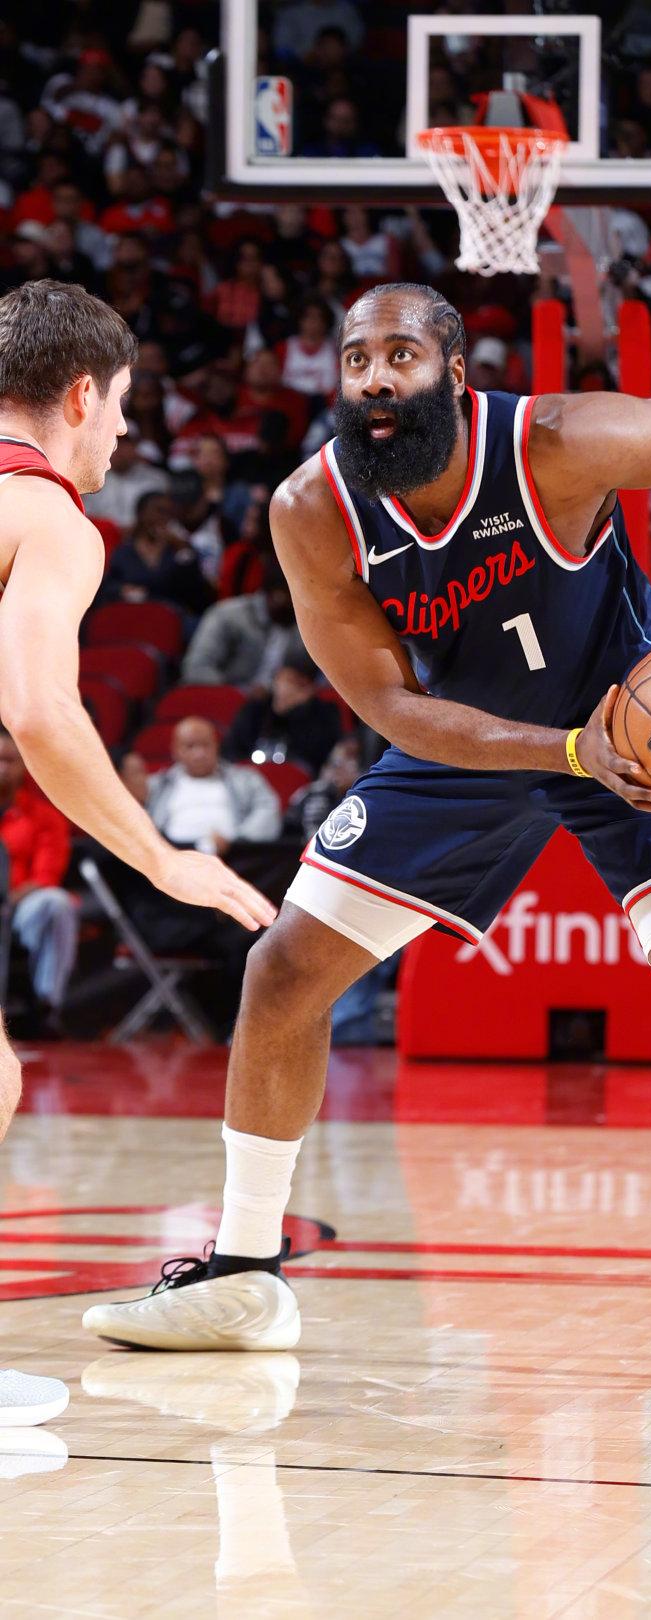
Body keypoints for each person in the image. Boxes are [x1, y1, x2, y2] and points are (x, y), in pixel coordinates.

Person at [84, 282, 651, 1397]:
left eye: (401, 355)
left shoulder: (554, 441)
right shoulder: (313, 510)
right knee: (283, 973)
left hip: (638, 731)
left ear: (455, 376)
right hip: (479, 743)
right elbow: (392, 708)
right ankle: (245, 1274)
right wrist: (561, 753)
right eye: (356, 358)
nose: (374, 379)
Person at [0, 278, 276, 1426]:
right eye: (121, 404)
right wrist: (163, 858)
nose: (123, 431)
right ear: (80, 395)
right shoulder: (49, 516)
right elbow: (40, 710)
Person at [0, 729, 79, 1035]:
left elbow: (45, 878)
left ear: (24, 766)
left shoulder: (44, 816)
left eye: (10, 761)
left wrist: (7, 903)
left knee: (57, 903)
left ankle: (47, 1006)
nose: (3, 768)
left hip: (20, 909)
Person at [147, 719, 283, 852]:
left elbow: (268, 810)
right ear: (175, 750)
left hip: (233, 855)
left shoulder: (246, 779)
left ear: (217, 745)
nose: (199, 754)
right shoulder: (156, 785)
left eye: (206, 745)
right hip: (170, 855)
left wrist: (239, 839)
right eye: (190, 746)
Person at [180, 564, 307, 689]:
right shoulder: (229, 615)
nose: (290, 603)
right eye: (285, 596)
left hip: (277, 698)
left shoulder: (301, 624)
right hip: (225, 694)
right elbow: (196, 668)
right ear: (270, 592)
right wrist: (238, 692)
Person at [224, 654, 342, 777]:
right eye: (281, 679)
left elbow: (315, 760)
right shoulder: (257, 707)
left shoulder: (324, 714)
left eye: (293, 682)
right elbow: (232, 750)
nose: (284, 688)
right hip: (249, 777)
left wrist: (298, 711)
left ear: (308, 688)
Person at [99, 489, 213, 616]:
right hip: (131, 614)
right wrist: (121, 589)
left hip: (171, 615)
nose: (163, 518)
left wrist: (182, 549)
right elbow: (108, 586)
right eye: (159, 511)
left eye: (169, 513)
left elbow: (196, 592)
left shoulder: (178, 551)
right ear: (141, 513)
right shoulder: (124, 551)